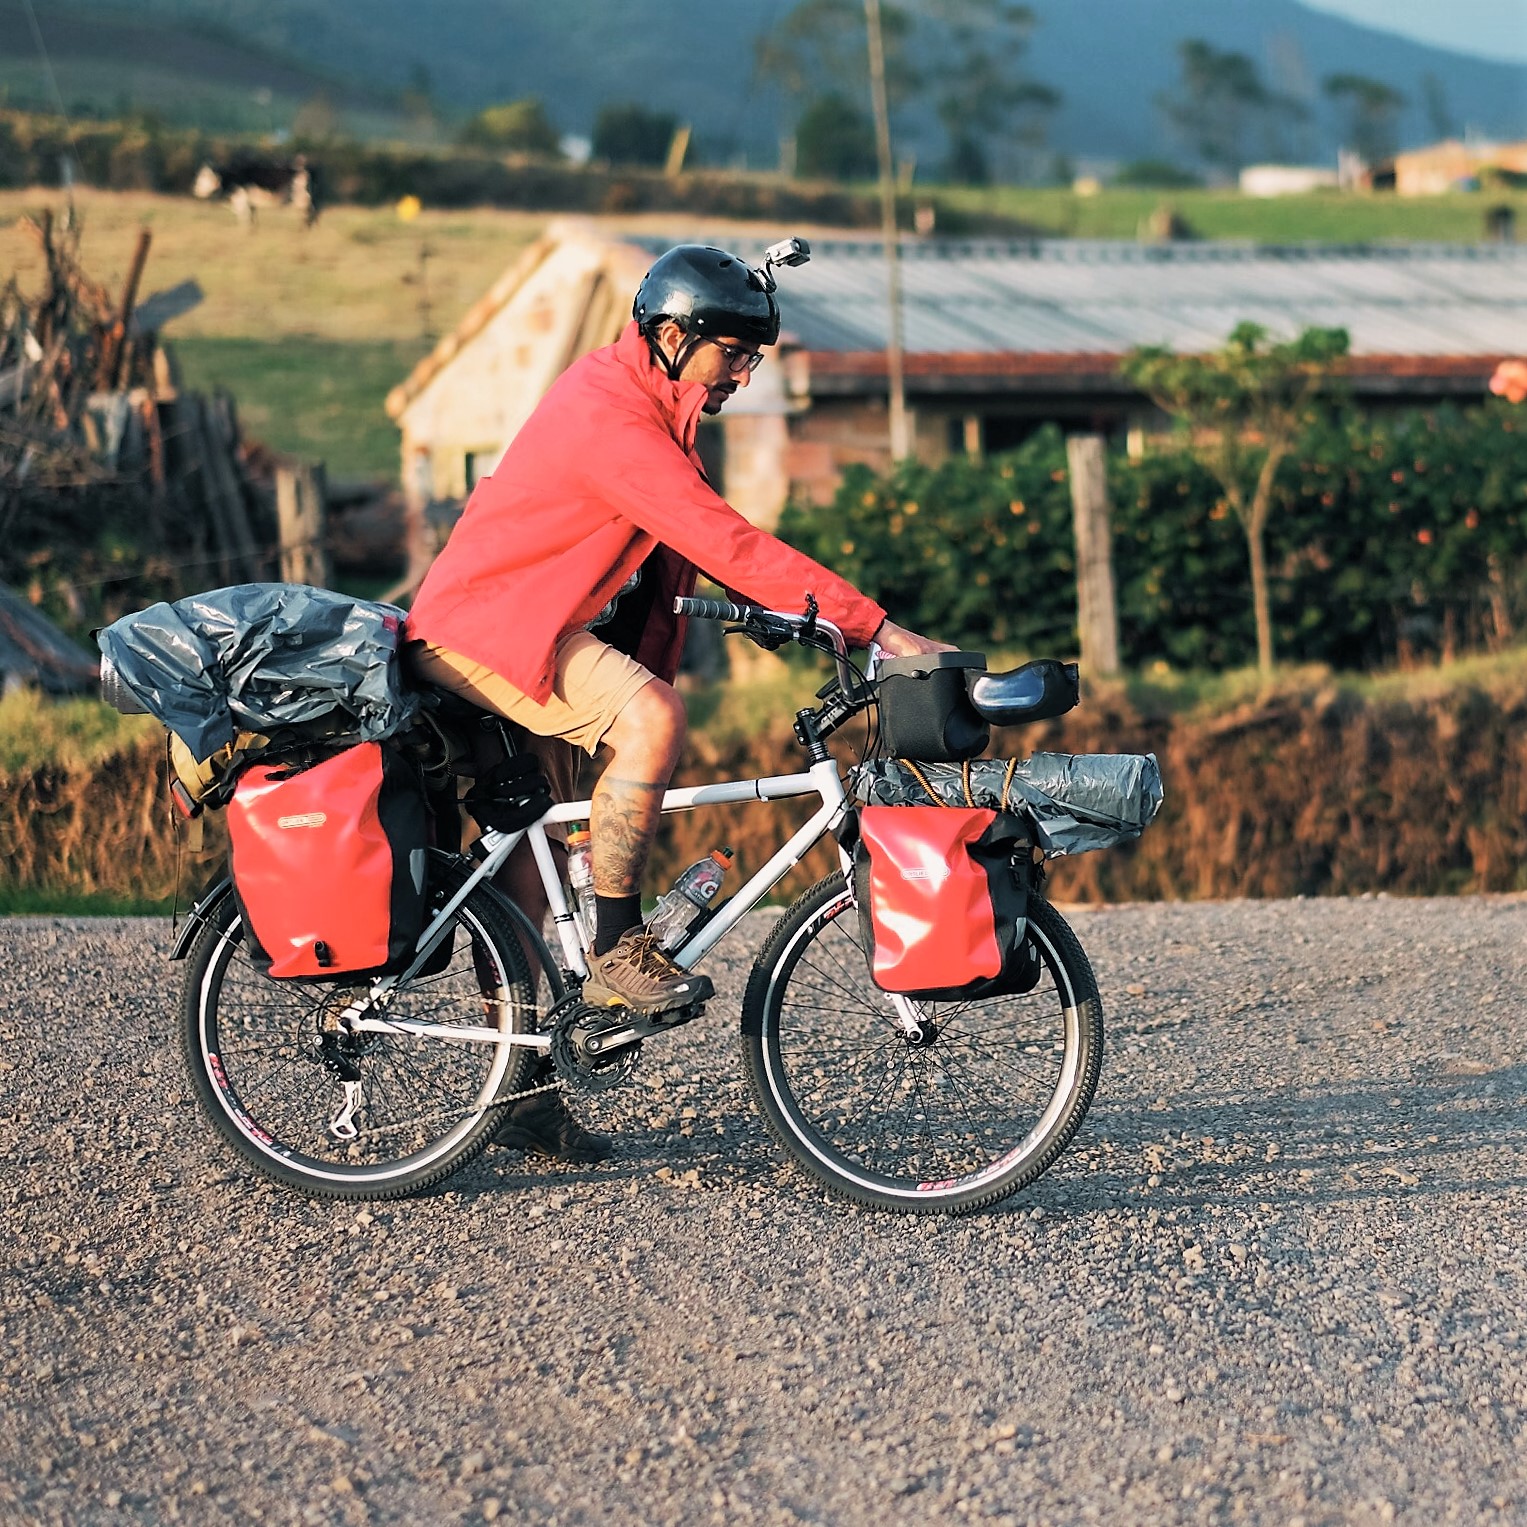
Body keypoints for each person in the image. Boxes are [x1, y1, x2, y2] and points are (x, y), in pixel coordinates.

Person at [403, 241, 950, 1162]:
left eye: (753, 356)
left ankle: (520, 1089)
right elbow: (721, 537)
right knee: (650, 716)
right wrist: (874, 628)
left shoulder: (649, 404)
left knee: (530, 880)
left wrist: (781, 618)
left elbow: (683, 554)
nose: (742, 373)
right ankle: (618, 950)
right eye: (730, 352)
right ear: (667, 335)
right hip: (483, 633)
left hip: (531, 628)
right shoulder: (613, 416)